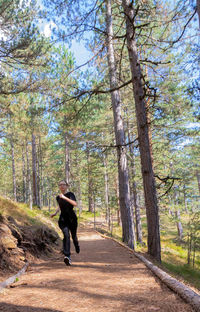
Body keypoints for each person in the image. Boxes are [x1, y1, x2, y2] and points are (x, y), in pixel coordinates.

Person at [51, 180, 80, 266]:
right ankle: (67, 256)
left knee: (73, 236)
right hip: (63, 219)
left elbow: (75, 204)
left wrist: (64, 197)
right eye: (60, 185)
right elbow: (60, 205)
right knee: (66, 235)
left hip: (72, 218)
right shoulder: (58, 197)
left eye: (64, 185)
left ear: (66, 186)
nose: (62, 186)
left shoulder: (70, 194)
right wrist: (55, 213)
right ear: (59, 187)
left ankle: (76, 244)